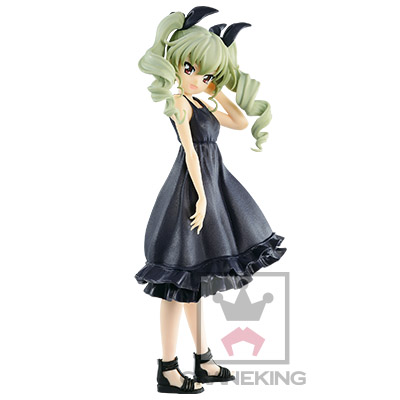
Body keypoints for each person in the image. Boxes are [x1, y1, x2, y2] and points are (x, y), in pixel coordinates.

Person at [135, 6, 287, 394]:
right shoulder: (180, 103)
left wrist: (216, 88)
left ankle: (202, 360)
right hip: (191, 188)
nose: (196, 79)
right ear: (175, 63)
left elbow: (239, 122)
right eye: (191, 69)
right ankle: (168, 369)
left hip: (212, 180)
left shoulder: (202, 101)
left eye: (206, 75)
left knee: (196, 279)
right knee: (177, 280)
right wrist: (201, 197)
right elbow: (189, 151)